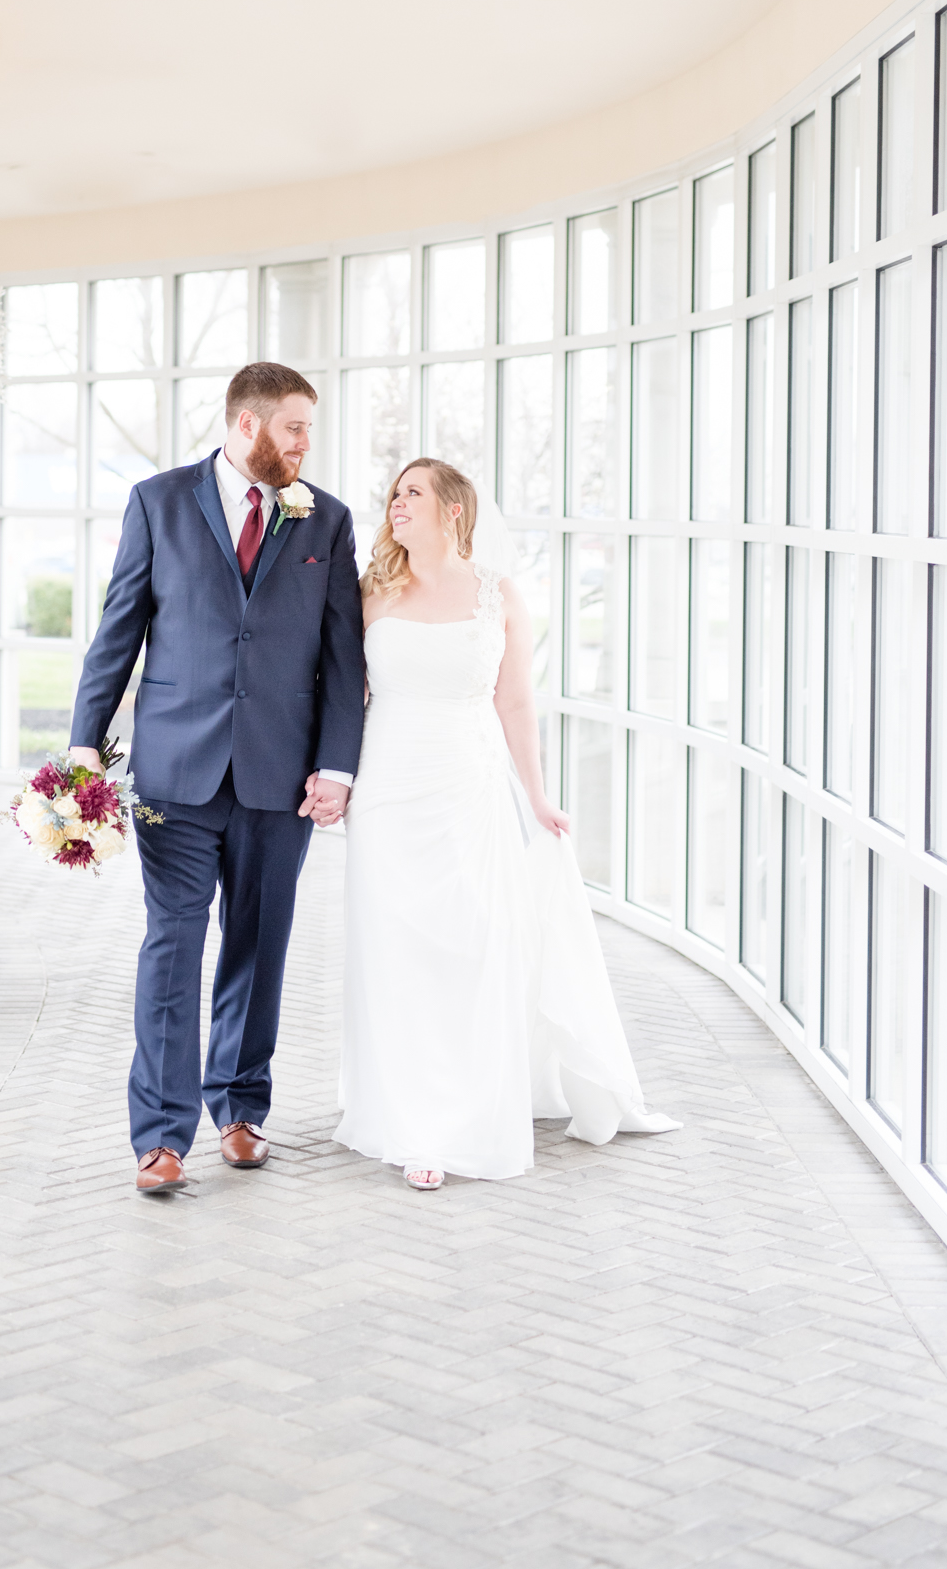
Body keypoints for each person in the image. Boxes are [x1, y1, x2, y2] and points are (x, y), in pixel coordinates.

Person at [333, 457, 678, 1191]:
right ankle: (407, 1116)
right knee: (395, 952)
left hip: (467, 785)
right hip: (388, 786)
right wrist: (330, 777)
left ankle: (460, 1114)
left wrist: (539, 796)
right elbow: (339, 697)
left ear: (453, 510)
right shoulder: (372, 592)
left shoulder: (500, 596)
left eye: (413, 493)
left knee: (467, 944)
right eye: (394, 493)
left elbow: (516, 705)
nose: (396, 504)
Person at [69, 363, 364, 1195]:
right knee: (173, 946)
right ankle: (159, 1136)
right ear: (247, 425)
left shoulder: (327, 520)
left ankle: (239, 1108)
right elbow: (116, 633)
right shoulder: (157, 503)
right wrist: (83, 748)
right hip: (175, 773)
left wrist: (337, 766)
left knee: (257, 945)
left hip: (282, 775)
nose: (308, 443)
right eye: (295, 427)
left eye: (310, 428)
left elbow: (343, 659)